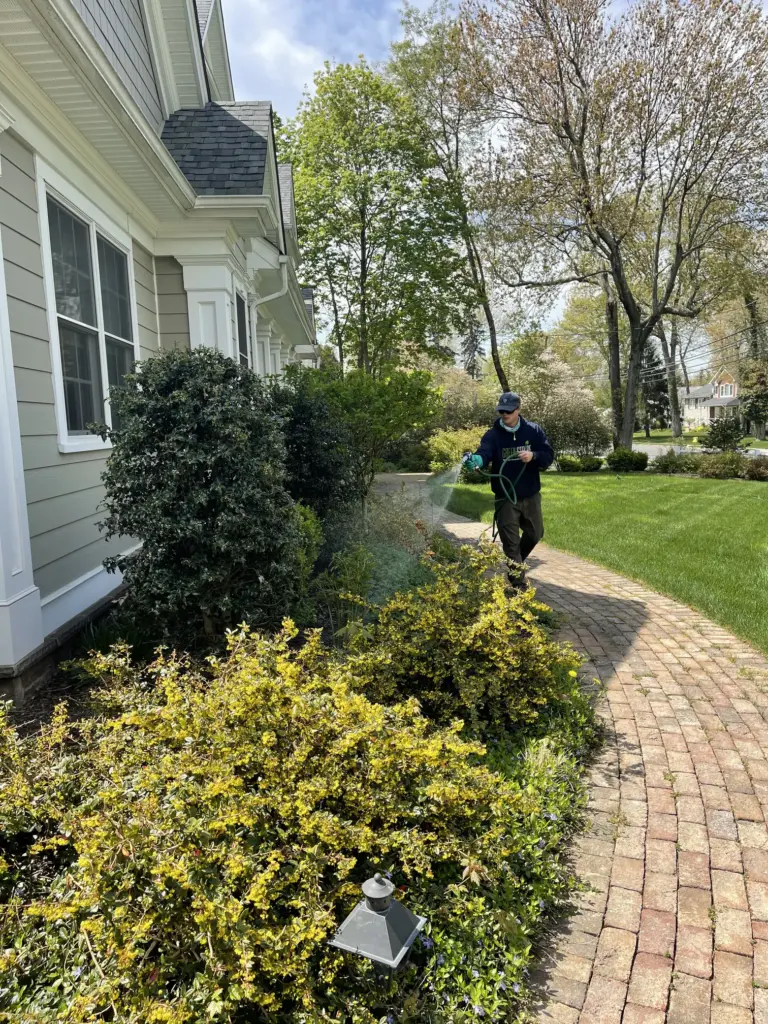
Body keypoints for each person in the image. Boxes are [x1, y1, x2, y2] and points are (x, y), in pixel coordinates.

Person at [464, 392, 554, 589]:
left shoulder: (533, 431)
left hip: (530, 495)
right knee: (511, 543)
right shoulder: (493, 435)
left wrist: (534, 455)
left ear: (518, 410)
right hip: (505, 497)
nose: (504, 414)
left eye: (508, 411)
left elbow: (548, 456)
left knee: (535, 533)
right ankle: (518, 584)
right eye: (501, 411)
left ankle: (516, 563)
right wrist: (477, 461)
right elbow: (484, 452)